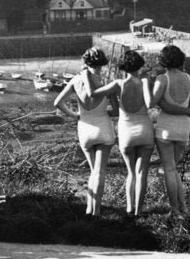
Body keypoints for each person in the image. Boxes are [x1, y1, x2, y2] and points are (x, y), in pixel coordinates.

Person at [88, 50, 155, 216]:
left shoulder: (118, 84)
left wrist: (87, 77)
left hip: (126, 131)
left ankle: (129, 208)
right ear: (139, 65)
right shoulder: (145, 82)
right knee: (142, 173)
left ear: (122, 67)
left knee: (131, 173)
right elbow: (151, 103)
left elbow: (93, 95)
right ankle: (139, 211)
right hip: (145, 129)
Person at [54, 47, 118, 216]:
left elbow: (58, 102)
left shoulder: (76, 79)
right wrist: (104, 112)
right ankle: (96, 211)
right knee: (100, 172)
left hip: (84, 128)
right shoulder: (105, 83)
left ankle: (89, 209)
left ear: (85, 61)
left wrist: (74, 115)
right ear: (102, 63)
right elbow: (117, 111)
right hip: (103, 128)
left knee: (93, 172)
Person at [149, 44, 190, 218]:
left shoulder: (163, 79)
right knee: (173, 169)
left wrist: (149, 85)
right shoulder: (188, 78)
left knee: (169, 169)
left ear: (164, 61)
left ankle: (175, 210)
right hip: (184, 127)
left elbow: (152, 102)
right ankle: (183, 207)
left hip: (166, 128)